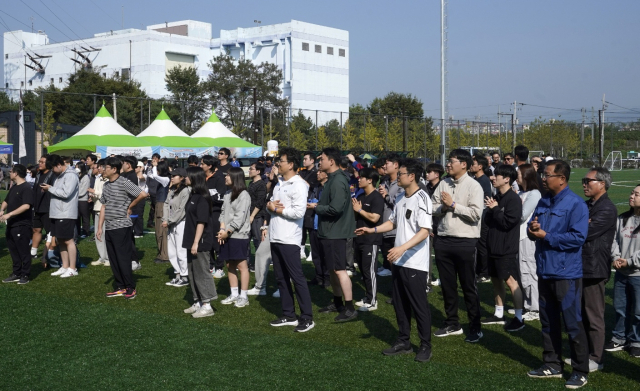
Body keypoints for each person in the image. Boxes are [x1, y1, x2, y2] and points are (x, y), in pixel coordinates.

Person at [356, 158, 433, 362]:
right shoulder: (400, 197)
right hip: (399, 261)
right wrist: (371, 229)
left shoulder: (422, 198)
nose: (398, 176)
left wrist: (401, 248)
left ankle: (425, 345)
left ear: (412, 176)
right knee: (400, 305)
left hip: (414, 262)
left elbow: (425, 231)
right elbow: (392, 223)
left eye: (401, 173)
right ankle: (403, 341)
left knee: (419, 306)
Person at [526, 159, 590, 389]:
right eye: (543, 174)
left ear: (562, 179)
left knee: (573, 324)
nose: (543, 178)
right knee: (548, 321)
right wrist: (533, 231)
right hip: (544, 270)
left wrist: (545, 236)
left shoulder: (576, 205)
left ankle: (580, 370)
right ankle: (552, 363)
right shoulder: (543, 201)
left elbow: (577, 238)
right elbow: (532, 228)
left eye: (547, 175)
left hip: (566, 274)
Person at [431, 149, 484, 342]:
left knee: (469, 286)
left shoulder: (474, 186)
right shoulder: (443, 183)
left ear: (464, 164)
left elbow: (476, 214)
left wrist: (453, 205)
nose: (448, 164)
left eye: (451, 161)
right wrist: (443, 207)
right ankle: (452, 323)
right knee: (447, 285)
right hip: (443, 240)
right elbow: (432, 206)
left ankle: (475, 326)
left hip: (465, 241)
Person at [267, 147, 315, 332]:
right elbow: (270, 203)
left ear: (292, 164)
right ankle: (289, 315)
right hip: (275, 236)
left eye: (282, 161)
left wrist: (276, 209)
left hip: (289, 239)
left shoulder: (298, 185)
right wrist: (270, 205)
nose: (279, 163)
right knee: (281, 278)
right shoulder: (279, 183)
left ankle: (307, 317)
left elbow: (298, 212)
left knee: (297, 278)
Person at [576, 167, 617, 372]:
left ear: (602, 183)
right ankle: (584, 356)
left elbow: (585, 232)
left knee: (594, 315)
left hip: (594, 267)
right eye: (584, 180)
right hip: (582, 265)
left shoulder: (607, 208)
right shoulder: (589, 205)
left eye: (588, 180)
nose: (584, 184)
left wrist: (581, 224)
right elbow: (576, 225)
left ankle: (596, 358)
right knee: (581, 313)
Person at [315, 147, 358, 322]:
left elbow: (336, 208)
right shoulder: (333, 179)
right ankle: (338, 302)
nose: (320, 162)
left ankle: (349, 308)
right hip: (329, 232)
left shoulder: (338, 180)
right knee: (333, 269)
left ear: (331, 161)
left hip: (336, 233)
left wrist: (316, 207)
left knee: (340, 270)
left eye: (322, 159)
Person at [480, 164, 525, 332]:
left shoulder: (513, 200)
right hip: (493, 246)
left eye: (497, 176)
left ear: (507, 179)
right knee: (496, 280)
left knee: (511, 282)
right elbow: (489, 221)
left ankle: (519, 318)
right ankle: (499, 313)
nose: (493, 178)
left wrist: (495, 209)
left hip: (506, 248)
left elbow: (508, 222)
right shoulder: (497, 196)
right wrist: (491, 209)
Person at [97, 157, 148, 300]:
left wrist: (130, 206)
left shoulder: (124, 182)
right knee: (113, 258)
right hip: (110, 226)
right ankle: (120, 286)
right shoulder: (106, 186)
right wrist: (100, 227)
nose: (103, 170)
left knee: (122, 257)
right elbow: (103, 206)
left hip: (122, 226)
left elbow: (142, 194)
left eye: (105, 167)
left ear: (114, 169)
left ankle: (130, 287)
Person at [607, 184, 640, 359]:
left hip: (637, 274)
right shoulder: (623, 219)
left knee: (638, 310)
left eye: (636, 194)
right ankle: (619, 337)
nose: (631, 196)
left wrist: (630, 261)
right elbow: (614, 241)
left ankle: (636, 341)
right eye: (632, 193)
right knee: (620, 307)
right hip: (621, 272)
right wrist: (616, 257)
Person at [182, 167, 219, 318]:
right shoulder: (193, 195)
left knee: (202, 272)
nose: (185, 178)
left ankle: (207, 304)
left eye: (187, 176)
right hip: (190, 239)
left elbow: (201, 222)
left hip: (200, 240)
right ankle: (198, 301)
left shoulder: (203, 197)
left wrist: (196, 242)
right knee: (192, 272)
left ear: (194, 178)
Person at [218, 167, 252, 308]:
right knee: (229, 264)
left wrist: (228, 231)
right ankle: (234, 294)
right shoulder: (227, 193)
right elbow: (222, 213)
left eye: (228, 176)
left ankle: (244, 296)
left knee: (241, 265)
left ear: (236, 178)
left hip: (239, 235)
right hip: (227, 234)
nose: (225, 178)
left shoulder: (244, 195)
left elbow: (240, 217)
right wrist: (222, 229)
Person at [41, 154, 79, 278]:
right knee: (60, 240)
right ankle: (65, 266)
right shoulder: (59, 175)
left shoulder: (71, 175)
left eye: (53, 168)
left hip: (66, 213)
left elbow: (66, 193)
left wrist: (50, 189)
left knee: (68, 240)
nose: (52, 171)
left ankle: (73, 268)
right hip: (57, 212)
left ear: (58, 165)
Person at [352, 167, 384, 311]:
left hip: (371, 240)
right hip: (359, 239)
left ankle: (373, 301)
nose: (359, 179)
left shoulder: (376, 197)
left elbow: (375, 218)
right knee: (364, 270)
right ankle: (367, 296)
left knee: (369, 270)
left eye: (362, 177)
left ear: (370, 180)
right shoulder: (361, 197)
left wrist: (359, 210)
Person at [516, 164, 542, 321]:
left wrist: (512, 208)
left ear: (526, 176)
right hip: (517, 237)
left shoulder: (534, 194)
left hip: (526, 237)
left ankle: (535, 308)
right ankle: (527, 304)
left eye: (519, 174)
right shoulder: (521, 192)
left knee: (529, 270)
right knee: (521, 271)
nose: (516, 177)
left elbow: (522, 215)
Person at [1, 164, 35, 285]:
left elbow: (26, 205)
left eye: (11, 171)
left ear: (16, 173)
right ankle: (16, 273)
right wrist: (1, 210)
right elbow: (6, 200)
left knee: (23, 251)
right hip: (12, 225)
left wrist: (9, 214)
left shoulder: (26, 187)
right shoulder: (14, 187)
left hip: (22, 224)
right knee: (13, 250)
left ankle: (25, 274)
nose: (9, 173)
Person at [378, 153, 404, 277]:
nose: (384, 166)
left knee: (399, 262)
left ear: (396, 165)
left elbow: (401, 204)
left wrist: (387, 196)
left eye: (387, 163)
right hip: (385, 227)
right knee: (389, 259)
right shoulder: (385, 181)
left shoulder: (401, 183)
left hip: (396, 229)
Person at [164, 167, 191, 288]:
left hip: (181, 223)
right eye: (172, 175)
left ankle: (185, 276)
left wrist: (170, 220)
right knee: (171, 251)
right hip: (171, 223)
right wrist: (166, 219)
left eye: (174, 175)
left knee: (181, 251)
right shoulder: (172, 190)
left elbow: (182, 209)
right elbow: (166, 204)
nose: (172, 177)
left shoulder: (186, 191)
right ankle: (177, 274)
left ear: (182, 178)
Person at [470, 153, 493, 284]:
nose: (471, 166)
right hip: (479, 216)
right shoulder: (476, 179)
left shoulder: (483, 180)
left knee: (482, 245)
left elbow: (487, 200)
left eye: (473, 164)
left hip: (483, 216)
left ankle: (484, 273)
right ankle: (479, 271)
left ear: (480, 166)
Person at [209, 149, 232, 278]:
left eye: (222, 153)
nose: (219, 155)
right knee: (210, 239)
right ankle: (212, 265)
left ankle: (220, 266)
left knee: (219, 237)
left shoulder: (229, 168)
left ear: (227, 156)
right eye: (218, 153)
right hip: (212, 206)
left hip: (224, 203)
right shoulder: (216, 168)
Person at [306, 169, 330, 287]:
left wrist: (316, 205)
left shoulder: (330, 188)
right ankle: (318, 276)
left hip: (324, 225)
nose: (317, 173)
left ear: (327, 174)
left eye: (320, 172)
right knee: (315, 253)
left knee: (325, 254)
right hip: (313, 224)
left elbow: (331, 205)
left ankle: (327, 278)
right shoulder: (315, 187)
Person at [31, 155, 56, 262]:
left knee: (50, 232)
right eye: (39, 161)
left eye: (42, 162)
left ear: (48, 164)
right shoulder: (38, 174)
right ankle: (33, 252)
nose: (39, 163)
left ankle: (50, 253)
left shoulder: (52, 175)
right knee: (36, 229)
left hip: (48, 207)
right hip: (37, 207)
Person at [147, 159, 170, 265]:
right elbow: (151, 175)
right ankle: (162, 253)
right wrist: (152, 167)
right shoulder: (164, 179)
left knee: (162, 232)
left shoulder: (166, 179)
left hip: (162, 205)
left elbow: (155, 176)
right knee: (158, 231)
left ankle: (164, 255)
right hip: (159, 204)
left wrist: (155, 166)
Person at [247, 162, 267, 271]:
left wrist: (252, 215)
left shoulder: (261, 185)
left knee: (257, 241)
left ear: (258, 171)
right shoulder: (251, 183)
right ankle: (247, 263)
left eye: (251, 169)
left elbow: (260, 202)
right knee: (246, 240)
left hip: (257, 216)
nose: (249, 170)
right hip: (249, 215)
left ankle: (259, 264)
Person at [89, 160, 110, 267]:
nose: (100, 169)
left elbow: (106, 194)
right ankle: (101, 257)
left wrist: (95, 192)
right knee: (98, 233)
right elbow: (97, 194)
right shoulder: (98, 179)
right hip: (97, 208)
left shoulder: (109, 181)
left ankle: (108, 258)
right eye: (100, 167)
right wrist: (92, 196)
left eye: (102, 167)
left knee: (106, 234)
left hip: (105, 209)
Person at [300, 152, 319, 260]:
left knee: (311, 227)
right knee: (301, 227)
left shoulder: (315, 173)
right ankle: (301, 250)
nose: (304, 161)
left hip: (311, 202)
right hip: (302, 202)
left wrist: (300, 179)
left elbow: (310, 186)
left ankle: (312, 252)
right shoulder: (302, 172)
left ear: (312, 160)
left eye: (306, 159)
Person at [131, 161, 148, 238]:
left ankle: (139, 232)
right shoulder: (133, 175)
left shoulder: (144, 175)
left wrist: (141, 170)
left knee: (139, 214)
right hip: (134, 197)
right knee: (134, 213)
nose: (135, 168)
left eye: (137, 167)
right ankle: (134, 229)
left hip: (141, 197)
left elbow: (141, 178)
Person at [146, 154, 160, 229]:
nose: (154, 160)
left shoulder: (160, 168)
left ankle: (150, 222)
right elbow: (147, 180)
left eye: (155, 158)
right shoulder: (149, 168)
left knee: (154, 207)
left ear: (158, 159)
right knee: (155, 206)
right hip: (152, 190)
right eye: (153, 158)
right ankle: (152, 221)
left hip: (157, 190)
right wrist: (147, 190)